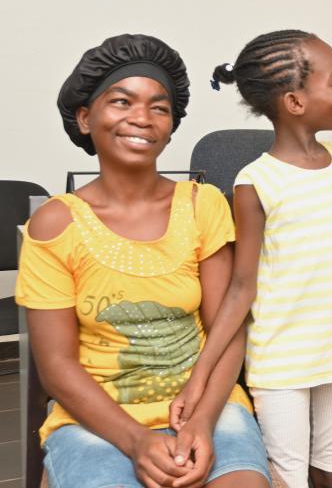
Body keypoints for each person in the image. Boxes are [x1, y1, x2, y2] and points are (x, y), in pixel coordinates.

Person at [15, 34, 271, 488]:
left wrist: (202, 421)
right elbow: (56, 365)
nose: (142, 118)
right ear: (84, 117)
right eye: (121, 101)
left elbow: (228, 330)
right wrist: (135, 440)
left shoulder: (202, 205)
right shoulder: (55, 224)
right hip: (97, 420)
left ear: (171, 125)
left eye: (159, 107)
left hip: (207, 406)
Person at [168, 30, 332, 488]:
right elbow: (241, 287)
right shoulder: (257, 182)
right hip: (283, 359)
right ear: (294, 101)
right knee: (288, 476)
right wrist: (201, 376)